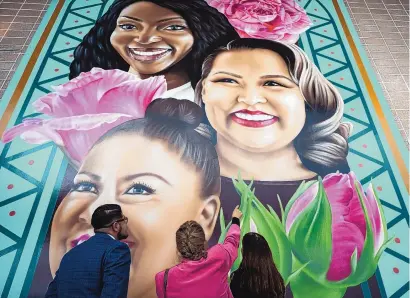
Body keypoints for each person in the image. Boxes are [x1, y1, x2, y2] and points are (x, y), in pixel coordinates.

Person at [48, 98, 221, 298]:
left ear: (205, 216)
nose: (94, 210)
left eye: (139, 189)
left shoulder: (80, 256)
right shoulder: (108, 253)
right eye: (85, 185)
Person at [194, 38, 352, 242]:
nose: (250, 100)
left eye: (273, 83)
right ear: (204, 91)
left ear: (307, 98)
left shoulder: (335, 192)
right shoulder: (170, 175)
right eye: (228, 80)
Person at [69, 0, 239, 101]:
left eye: (173, 27)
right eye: (128, 26)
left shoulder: (215, 98)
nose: (144, 39)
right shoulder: (91, 94)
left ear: (200, 34)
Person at [45, 204, 131, 298]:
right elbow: (114, 294)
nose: (126, 224)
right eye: (124, 220)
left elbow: (51, 294)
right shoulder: (117, 249)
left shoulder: (71, 254)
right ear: (116, 226)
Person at [155, 206, 243, 298]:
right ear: (204, 242)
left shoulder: (163, 279)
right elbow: (231, 243)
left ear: (179, 249)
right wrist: (235, 220)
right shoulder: (219, 256)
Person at [230, 232, 285, 298]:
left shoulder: (238, 280)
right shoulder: (277, 280)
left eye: (243, 247)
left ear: (247, 253)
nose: (241, 250)